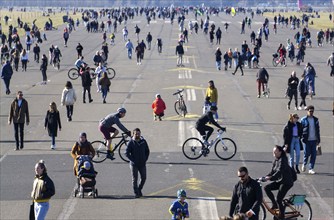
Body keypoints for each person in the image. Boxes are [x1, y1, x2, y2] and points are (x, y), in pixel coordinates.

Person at [264, 145, 294, 220]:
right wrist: (265, 177)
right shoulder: (276, 160)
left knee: (279, 199)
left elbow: (279, 172)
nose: (274, 153)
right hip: (280, 181)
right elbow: (272, 171)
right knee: (266, 188)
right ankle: (274, 204)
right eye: (273, 151)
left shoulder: (283, 160)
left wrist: (271, 178)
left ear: (280, 152)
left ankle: (282, 216)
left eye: (275, 151)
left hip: (286, 182)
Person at [125, 128, 150, 198]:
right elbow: (126, 153)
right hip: (134, 164)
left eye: (138, 133)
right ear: (133, 134)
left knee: (144, 178)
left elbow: (147, 151)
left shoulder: (143, 141)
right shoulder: (131, 142)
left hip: (142, 163)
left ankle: (139, 189)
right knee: (135, 179)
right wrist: (133, 160)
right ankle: (136, 192)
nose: (137, 135)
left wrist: (145, 159)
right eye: (136, 134)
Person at [300, 105, 320, 174]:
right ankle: (304, 164)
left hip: (314, 139)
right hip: (306, 140)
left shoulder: (316, 120)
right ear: (307, 111)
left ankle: (311, 168)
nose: (311, 112)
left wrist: (318, 140)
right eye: (310, 111)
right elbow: (300, 129)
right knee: (307, 153)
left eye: (312, 111)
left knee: (314, 154)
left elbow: (318, 130)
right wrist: (302, 137)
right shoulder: (303, 120)